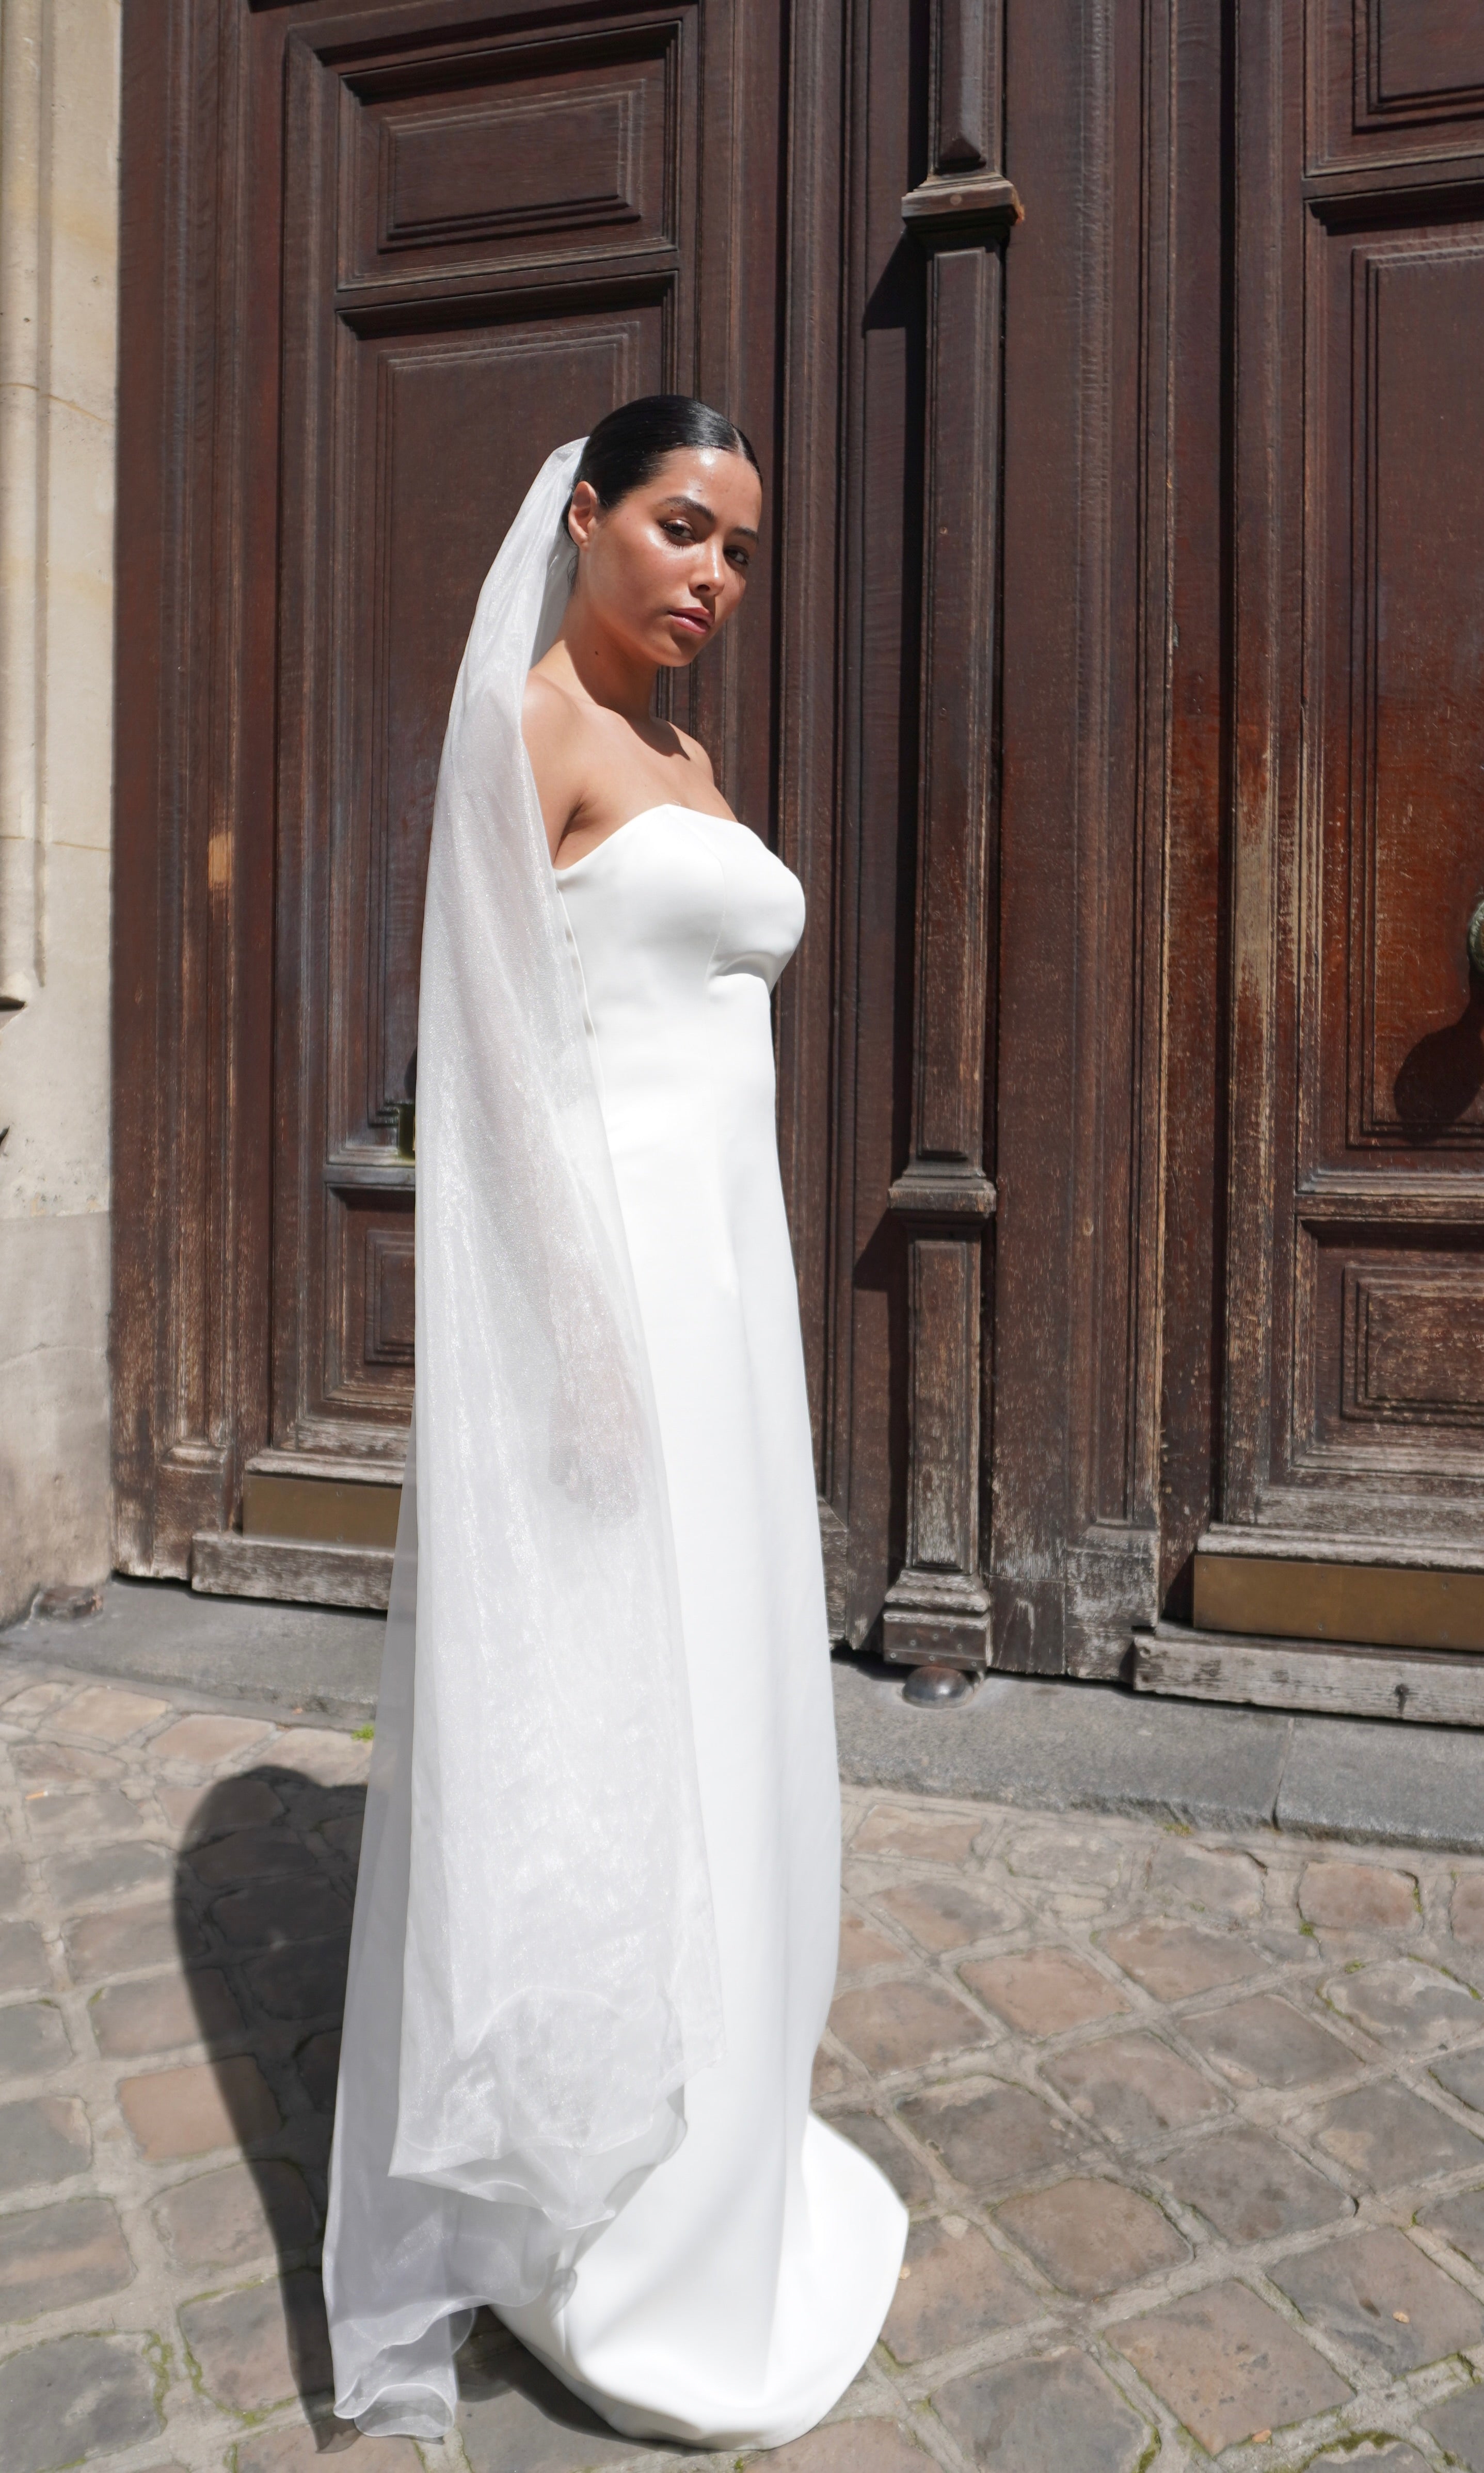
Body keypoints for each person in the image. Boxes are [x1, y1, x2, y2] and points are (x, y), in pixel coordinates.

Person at [323, 396, 906, 2448]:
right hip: (612, 1316)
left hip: (727, 1299)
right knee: (607, 1704)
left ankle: (716, 2131)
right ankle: (599, 2186)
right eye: (679, 530)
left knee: (723, 1698)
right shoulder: (537, 732)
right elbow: (486, 1077)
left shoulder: (682, 753)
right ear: (582, 516)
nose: (711, 580)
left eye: (736, 551)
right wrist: (569, 1344)